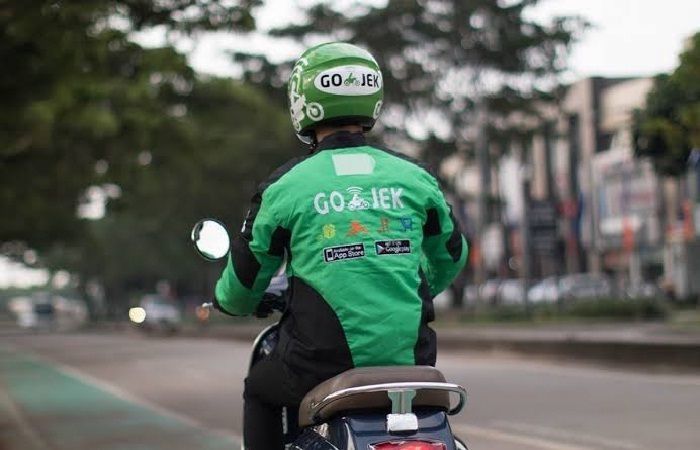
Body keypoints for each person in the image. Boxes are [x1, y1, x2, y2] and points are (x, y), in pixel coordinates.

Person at [214, 42, 468, 450]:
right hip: (413, 364)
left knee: (259, 389)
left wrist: (229, 302)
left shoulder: (284, 187)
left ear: (302, 102)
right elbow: (452, 256)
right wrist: (407, 284)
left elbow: (243, 285)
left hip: (315, 367)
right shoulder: (415, 178)